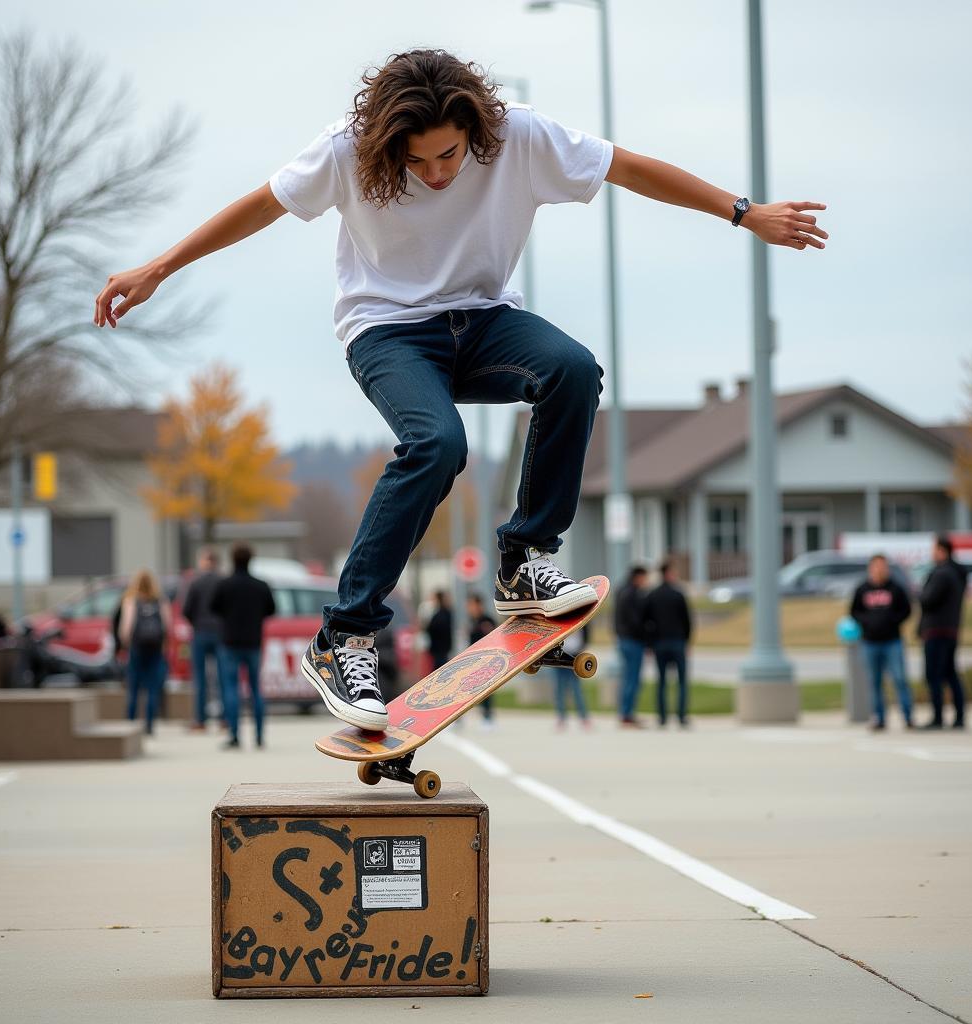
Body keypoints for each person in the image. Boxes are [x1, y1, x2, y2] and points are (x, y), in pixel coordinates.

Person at [93, 49, 827, 732]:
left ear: (474, 126)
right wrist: (160, 267)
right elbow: (261, 205)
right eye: (417, 162)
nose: (438, 172)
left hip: (484, 322)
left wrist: (743, 211)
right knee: (438, 444)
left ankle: (524, 556)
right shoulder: (346, 149)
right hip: (386, 333)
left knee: (572, 369)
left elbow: (628, 168)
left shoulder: (519, 137)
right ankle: (344, 636)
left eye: (449, 154)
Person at [210, 544, 275, 749]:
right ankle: (259, 736)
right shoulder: (261, 585)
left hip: (229, 642)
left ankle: (234, 735)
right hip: (253, 642)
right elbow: (271, 609)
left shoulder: (224, 585)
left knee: (231, 688)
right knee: (256, 688)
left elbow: (213, 608)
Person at [849, 554, 913, 731]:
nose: (879, 569)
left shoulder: (896, 588)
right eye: (876, 566)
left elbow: (907, 610)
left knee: (900, 679)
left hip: (893, 641)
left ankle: (908, 717)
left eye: (882, 566)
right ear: (871, 568)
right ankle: (879, 719)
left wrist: (892, 620)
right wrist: (867, 622)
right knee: (875, 682)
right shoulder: (862, 589)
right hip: (870, 642)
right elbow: (854, 611)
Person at [918, 536, 970, 730]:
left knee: (934, 675)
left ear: (942, 550)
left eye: (934, 549)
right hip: (951, 629)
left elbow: (927, 599)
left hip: (937, 630)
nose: (932, 553)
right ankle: (959, 716)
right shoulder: (957, 573)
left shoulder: (942, 574)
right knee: (950, 673)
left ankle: (938, 717)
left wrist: (920, 593)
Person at [118, 569, 171, 735]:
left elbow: (126, 627)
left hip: (137, 647)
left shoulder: (131, 600)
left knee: (133, 686)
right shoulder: (160, 600)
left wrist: (125, 644)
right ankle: (149, 724)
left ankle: (131, 723)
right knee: (152, 687)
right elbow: (167, 625)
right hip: (155, 648)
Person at [644, 560, 693, 728]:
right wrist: (687, 641)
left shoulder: (652, 595)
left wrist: (650, 644)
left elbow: (646, 621)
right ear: (667, 573)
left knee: (662, 682)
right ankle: (681, 716)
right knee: (682, 681)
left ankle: (662, 717)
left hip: (659, 643)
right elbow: (687, 620)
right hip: (677, 642)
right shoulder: (678, 594)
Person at [181, 548, 225, 731]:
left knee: (199, 678)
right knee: (223, 677)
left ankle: (200, 720)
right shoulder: (223, 582)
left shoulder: (195, 582)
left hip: (200, 632)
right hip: (221, 633)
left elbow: (186, 610)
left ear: (204, 561)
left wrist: (196, 622)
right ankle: (226, 719)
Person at [615, 566, 649, 728]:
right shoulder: (632, 594)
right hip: (633, 641)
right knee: (632, 679)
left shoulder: (621, 591)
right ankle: (627, 714)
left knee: (627, 678)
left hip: (623, 640)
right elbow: (635, 621)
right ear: (637, 577)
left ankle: (625, 712)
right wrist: (647, 637)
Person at [553, 624, 592, 731]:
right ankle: (561, 718)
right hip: (559, 656)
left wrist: (583, 646)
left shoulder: (580, 616)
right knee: (560, 688)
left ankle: (583, 717)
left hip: (575, 655)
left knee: (576, 688)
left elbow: (586, 631)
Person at [466, 593, 497, 726]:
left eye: (472, 605)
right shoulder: (472, 621)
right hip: (475, 661)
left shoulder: (487, 620)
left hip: (487, 661)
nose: (470, 608)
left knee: (486, 691)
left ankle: (488, 717)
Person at [426, 590, 454, 671]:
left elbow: (432, 629)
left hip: (441, 651)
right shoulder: (443, 613)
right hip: (441, 650)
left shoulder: (441, 615)